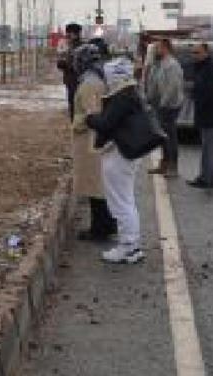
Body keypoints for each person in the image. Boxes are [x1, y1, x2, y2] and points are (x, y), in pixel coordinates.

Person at [85, 58, 164, 264]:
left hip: (120, 154)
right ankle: (132, 246)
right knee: (126, 200)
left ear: (114, 76)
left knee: (120, 202)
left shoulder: (122, 96)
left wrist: (89, 118)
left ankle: (128, 247)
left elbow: (106, 123)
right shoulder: (132, 92)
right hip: (127, 154)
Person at [71, 43, 117, 242]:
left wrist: (77, 122)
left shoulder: (90, 84)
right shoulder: (97, 79)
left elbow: (93, 113)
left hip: (90, 140)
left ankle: (100, 227)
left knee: (94, 183)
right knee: (97, 183)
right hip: (95, 139)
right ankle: (105, 222)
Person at [187, 43, 213, 189]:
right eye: (193, 53)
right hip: (210, 114)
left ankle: (206, 179)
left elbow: (208, 92)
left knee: (208, 148)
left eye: (197, 52)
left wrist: (195, 95)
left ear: (206, 53)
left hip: (211, 115)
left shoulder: (211, 69)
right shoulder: (202, 69)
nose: (194, 55)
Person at [143, 38, 186, 177]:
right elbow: (153, 83)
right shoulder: (159, 64)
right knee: (163, 136)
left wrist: (164, 103)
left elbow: (172, 87)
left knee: (170, 137)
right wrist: (149, 99)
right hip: (160, 104)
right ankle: (164, 164)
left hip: (170, 105)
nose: (156, 50)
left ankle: (173, 167)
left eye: (158, 48)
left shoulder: (172, 65)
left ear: (166, 48)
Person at [57, 23, 84, 117]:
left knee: (74, 104)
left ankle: (76, 125)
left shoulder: (73, 47)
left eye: (68, 34)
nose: (67, 36)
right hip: (80, 80)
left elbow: (70, 64)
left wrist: (61, 62)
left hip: (73, 80)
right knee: (79, 104)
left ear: (73, 34)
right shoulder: (81, 46)